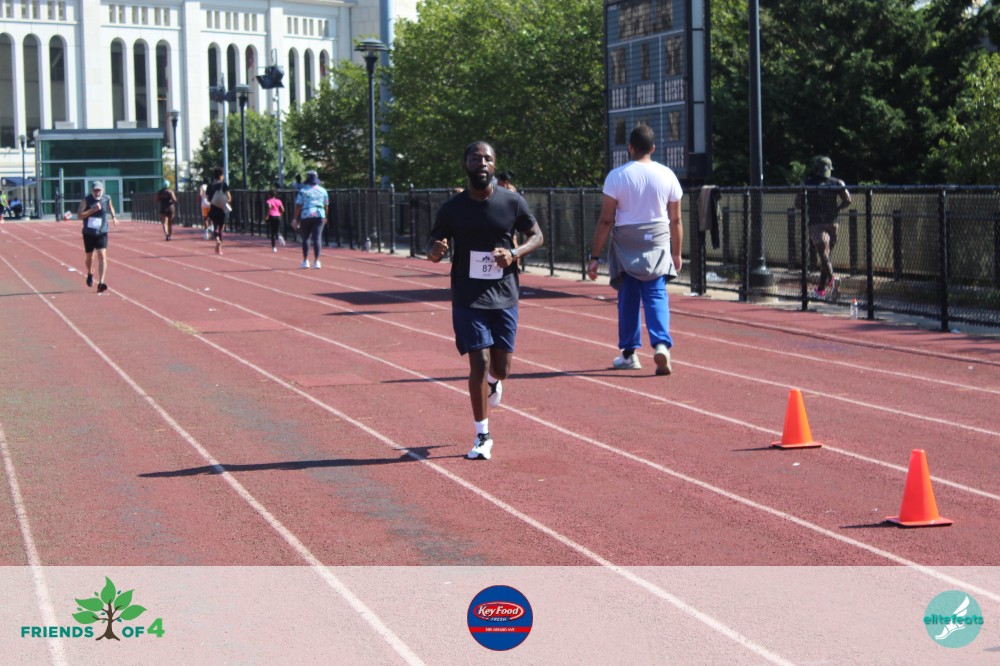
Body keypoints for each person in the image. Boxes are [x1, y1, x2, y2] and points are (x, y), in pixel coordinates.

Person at [426, 141, 544, 460]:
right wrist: (435, 252)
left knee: (501, 368)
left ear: (494, 166)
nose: (482, 163)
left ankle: (494, 382)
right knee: (478, 360)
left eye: (487, 159)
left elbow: (537, 236)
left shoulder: (512, 201)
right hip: (468, 295)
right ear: (465, 164)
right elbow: (433, 245)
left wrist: (514, 253)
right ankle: (482, 435)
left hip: (504, 294)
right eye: (476, 158)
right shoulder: (452, 207)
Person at [586, 124, 682, 377]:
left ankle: (629, 354)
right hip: (658, 238)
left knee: (628, 297)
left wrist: (594, 257)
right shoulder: (668, 175)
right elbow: (676, 220)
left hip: (626, 241)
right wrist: (676, 253)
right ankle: (661, 345)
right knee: (656, 293)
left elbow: (606, 220)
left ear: (629, 147)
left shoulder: (616, 176)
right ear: (653, 148)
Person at [796, 156, 851, 299]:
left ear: (816, 169)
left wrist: (809, 207)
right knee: (826, 257)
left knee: (824, 256)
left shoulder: (808, 183)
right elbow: (847, 200)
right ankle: (820, 290)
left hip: (817, 223)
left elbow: (798, 203)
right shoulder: (837, 183)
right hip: (833, 223)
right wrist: (837, 209)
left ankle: (832, 279)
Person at [77, 180, 119, 293]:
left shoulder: (106, 198)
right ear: (92, 191)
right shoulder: (86, 200)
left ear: (102, 190)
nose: (97, 193)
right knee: (90, 257)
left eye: (99, 190)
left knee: (102, 255)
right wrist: (93, 210)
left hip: (102, 231)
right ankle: (90, 272)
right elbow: (79, 215)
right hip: (89, 233)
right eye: (95, 191)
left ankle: (101, 283)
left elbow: (110, 207)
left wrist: (114, 217)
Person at [292, 170, 328, 269]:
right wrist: (326, 217)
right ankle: (317, 261)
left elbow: (299, 205)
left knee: (306, 238)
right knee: (317, 238)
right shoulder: (323, 191)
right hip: (320, 215)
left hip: (306, 215)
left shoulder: (303, 191)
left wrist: (295, 219)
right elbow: (326, 205)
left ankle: (305, 261)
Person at [205, 168, 230, 255]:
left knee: (215, 226)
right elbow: (229, 197)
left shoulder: (210, 185)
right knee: (221, 229)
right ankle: (220, 248)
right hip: (222, 209)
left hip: (213, 209)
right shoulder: (224, 185)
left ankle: (217, 239)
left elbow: (207, 199)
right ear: (221, 176)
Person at [264, 188, 285, 253]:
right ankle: (279, 237)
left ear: (269, 195)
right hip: (278, 216)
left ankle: (274, 247)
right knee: (277, 230)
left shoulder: (268, 201)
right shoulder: (278, 201)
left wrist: (267, 215)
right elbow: (283, 209)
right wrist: (280, 214)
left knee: (272, 232)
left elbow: (269, 207)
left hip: (272, 216)